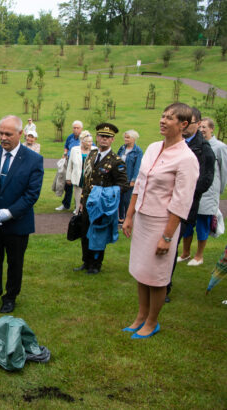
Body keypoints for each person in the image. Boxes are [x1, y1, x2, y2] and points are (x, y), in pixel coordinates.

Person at [122, 103, 199, 338]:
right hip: (144, 220)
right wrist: (129, 215)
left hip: (162, 224)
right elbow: (140, 183)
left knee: (156, 277)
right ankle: (140, 317)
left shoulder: (187, 159)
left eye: (170, 118)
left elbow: (181, 202)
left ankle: (152, 322)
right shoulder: (154, 148)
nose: (163, 120)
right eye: (163, 116)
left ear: (183, 125)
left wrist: (167, 236)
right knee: (141, 271)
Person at [0, 115, 44, 314]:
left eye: (8, 134)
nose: (3, 137)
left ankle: (10, 297)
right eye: (1, 133)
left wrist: (9, 213)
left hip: (17, 224)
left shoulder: (34, 160)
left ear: (20, 134)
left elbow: (32, 194)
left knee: (15, 263)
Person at [168, 107, 215, 299]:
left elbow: (204, 181)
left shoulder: (203, 150)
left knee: (170, 245)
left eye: (189, 121)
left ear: (196, 124)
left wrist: (180, 193)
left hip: (184, 207)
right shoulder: (171, 144)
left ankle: (164, 287)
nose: (184, 124)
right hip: (162, 204)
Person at [75, 123, 129, 275]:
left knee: (98, 234)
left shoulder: (116, 161)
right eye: (101, 136)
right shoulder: (92, 154)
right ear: (97, 138)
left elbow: (123, 185)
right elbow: (87, 179)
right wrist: (81, 201)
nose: (104, 139)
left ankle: (96, 264)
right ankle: (86, 262)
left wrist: (104, 194)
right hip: (87, 204)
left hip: (102, 205)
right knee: (85, 232)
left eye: (108, 137)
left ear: (112, 140)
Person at [179, 117, 227, 266]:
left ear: (212, 129)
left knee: (202, 224)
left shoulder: (219, 147)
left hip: (209, 192)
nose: (202, 130)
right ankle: (185, 253)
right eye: (201, 127)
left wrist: (220, 189)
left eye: (206, 127)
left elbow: (224, 170)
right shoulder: (190, 144)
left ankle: (199, 255)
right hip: (192, 190)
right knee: (187, 223)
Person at [66, 131, 96, 214]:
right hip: (78, 179)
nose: (90, 143)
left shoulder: (95, 150)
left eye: (91, 141)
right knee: (78, 199)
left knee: (89, 199)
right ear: (82, 141)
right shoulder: (74, 150)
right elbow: (70, 165)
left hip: (90, 180)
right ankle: (78, 214)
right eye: (88, 142)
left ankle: (88, 214)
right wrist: (68, 178)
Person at [117, 130, 143, 224]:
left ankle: (128, 218)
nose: (125, 139)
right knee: (119, 198)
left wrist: (134, 180)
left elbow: (137, 166)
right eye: (125, 137)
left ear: (134, 139)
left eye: (128, 137)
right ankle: (120, 218)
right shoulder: (122, 148)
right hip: (120, 178)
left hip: (129, 179)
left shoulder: (138, 151)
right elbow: (117, 161)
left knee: (126, 199)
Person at [57, 120, 83, 211]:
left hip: (78, 165)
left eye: (77, 128)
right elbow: (66, 147)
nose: (75, 129)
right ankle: (66, 204)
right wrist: (65, 153)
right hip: (69, 164)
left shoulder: (84, 137)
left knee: (78, 186)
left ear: (81, 129)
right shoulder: (70, 137)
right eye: (74, 128)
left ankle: (77, 206)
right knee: (67, 185)